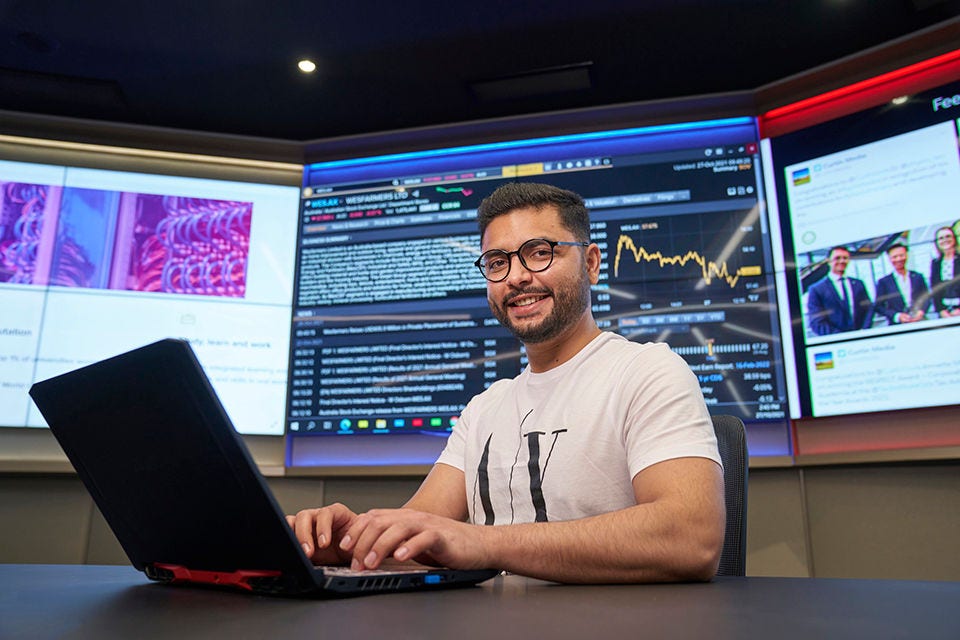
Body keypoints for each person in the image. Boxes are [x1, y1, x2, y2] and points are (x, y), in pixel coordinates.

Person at [289, 182, 724, 584]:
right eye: (498, 263)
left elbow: (691, 537)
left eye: (539, 252)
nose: (515, 277)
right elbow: (416, 534)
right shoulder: (484, 408)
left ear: (590, 263)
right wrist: (347, 544)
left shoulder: (647, 372)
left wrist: (483, 544)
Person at [805, 245, 873, 336]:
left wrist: (865, 330)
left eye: (845, 258)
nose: (841, 261)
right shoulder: (817, 289)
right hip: (836, 341)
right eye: (837, 258)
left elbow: (868, 309)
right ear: (828, 261)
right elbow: (817, 322)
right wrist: (841, 337)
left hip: (861, 337)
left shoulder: (858, 284)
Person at [873, 243, 930, 325]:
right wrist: (897, 316)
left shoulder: (918, 277)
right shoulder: (884, 282)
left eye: (901, 255)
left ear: (907, 255)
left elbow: (927, 297)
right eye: (894, 257)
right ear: (889, 259)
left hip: (919, 321)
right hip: (897, 325)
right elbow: (878, 307)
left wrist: (921, 311)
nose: (899, 259)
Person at [929, 225, 960, 318]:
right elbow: (934, 289)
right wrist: (941, 310)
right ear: (937, 243)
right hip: (944, 312)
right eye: (941, 238)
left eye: (948, 236)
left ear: (954, 239)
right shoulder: (935, 263)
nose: (945, 240)